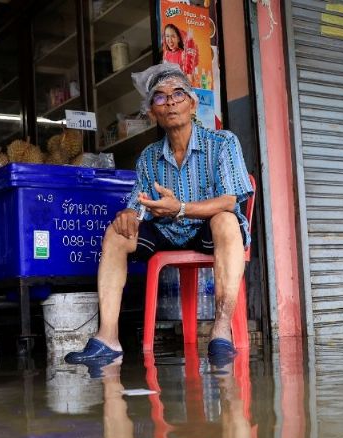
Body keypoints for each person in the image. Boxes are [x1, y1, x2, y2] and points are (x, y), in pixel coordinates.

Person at [65, 62, 253, 363]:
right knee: (116, 233)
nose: (171, 102)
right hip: (167, 233)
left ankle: (220, 330)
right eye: (160, 97)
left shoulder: (223, 143)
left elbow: (230, 201)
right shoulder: (149, 158)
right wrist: (127, 214)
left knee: (227, 220)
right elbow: (138, 206)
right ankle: (108, 339)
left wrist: (180, 208)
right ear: (152, 112)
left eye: (178, 94)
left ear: (192, 103)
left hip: (209, 232)